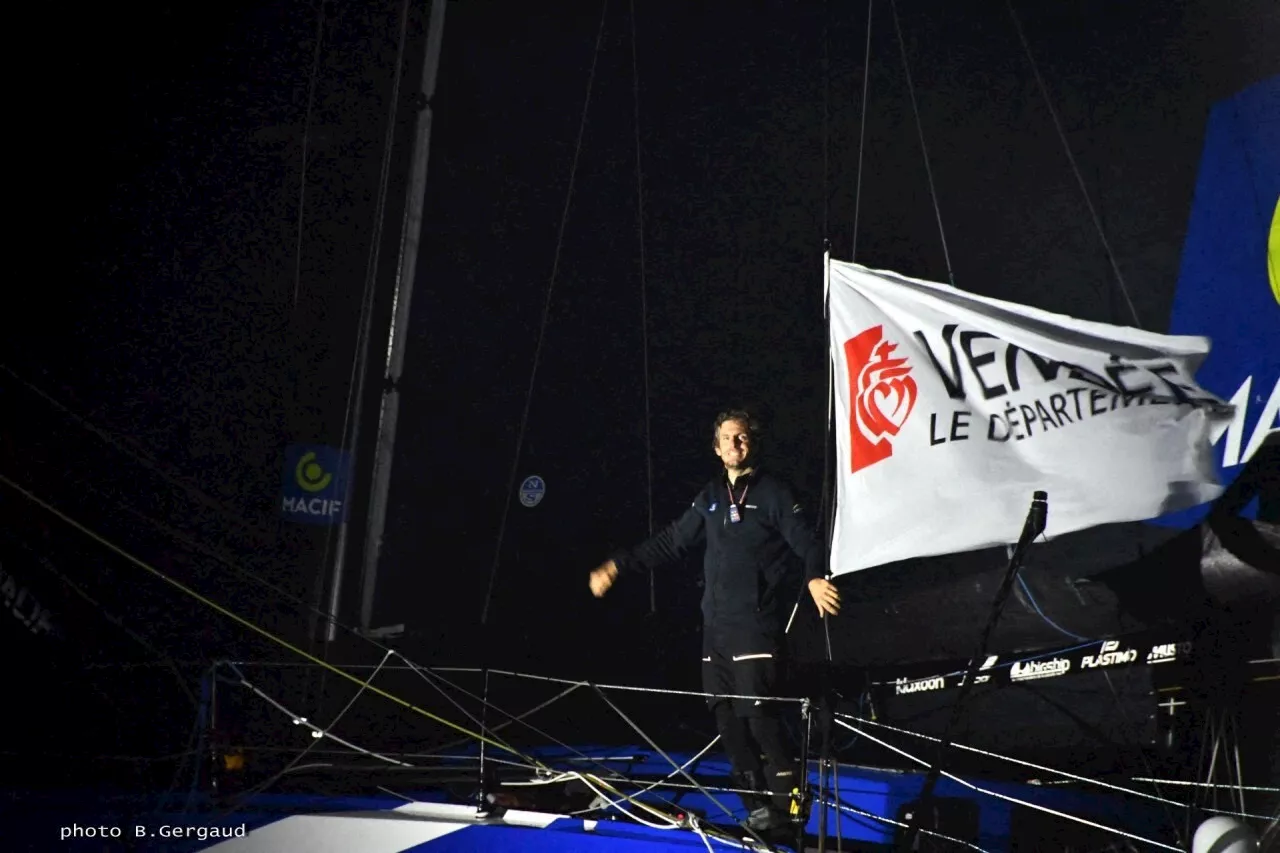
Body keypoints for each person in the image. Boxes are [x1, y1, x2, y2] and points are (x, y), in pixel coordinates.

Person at [588, 409, 841, 832]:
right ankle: (756, 811)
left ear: (752, 443)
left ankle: (791, 814)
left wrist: (815, 576)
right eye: (727, 438)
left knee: (760, 720)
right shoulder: (709, 496)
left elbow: (807, 541)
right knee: (728, 724)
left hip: (756, 626)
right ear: (716, 447)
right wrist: (618, 564)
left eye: (741, 438)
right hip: (716, 631)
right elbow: (671, 542)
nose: (734, 445)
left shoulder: (774, 493)